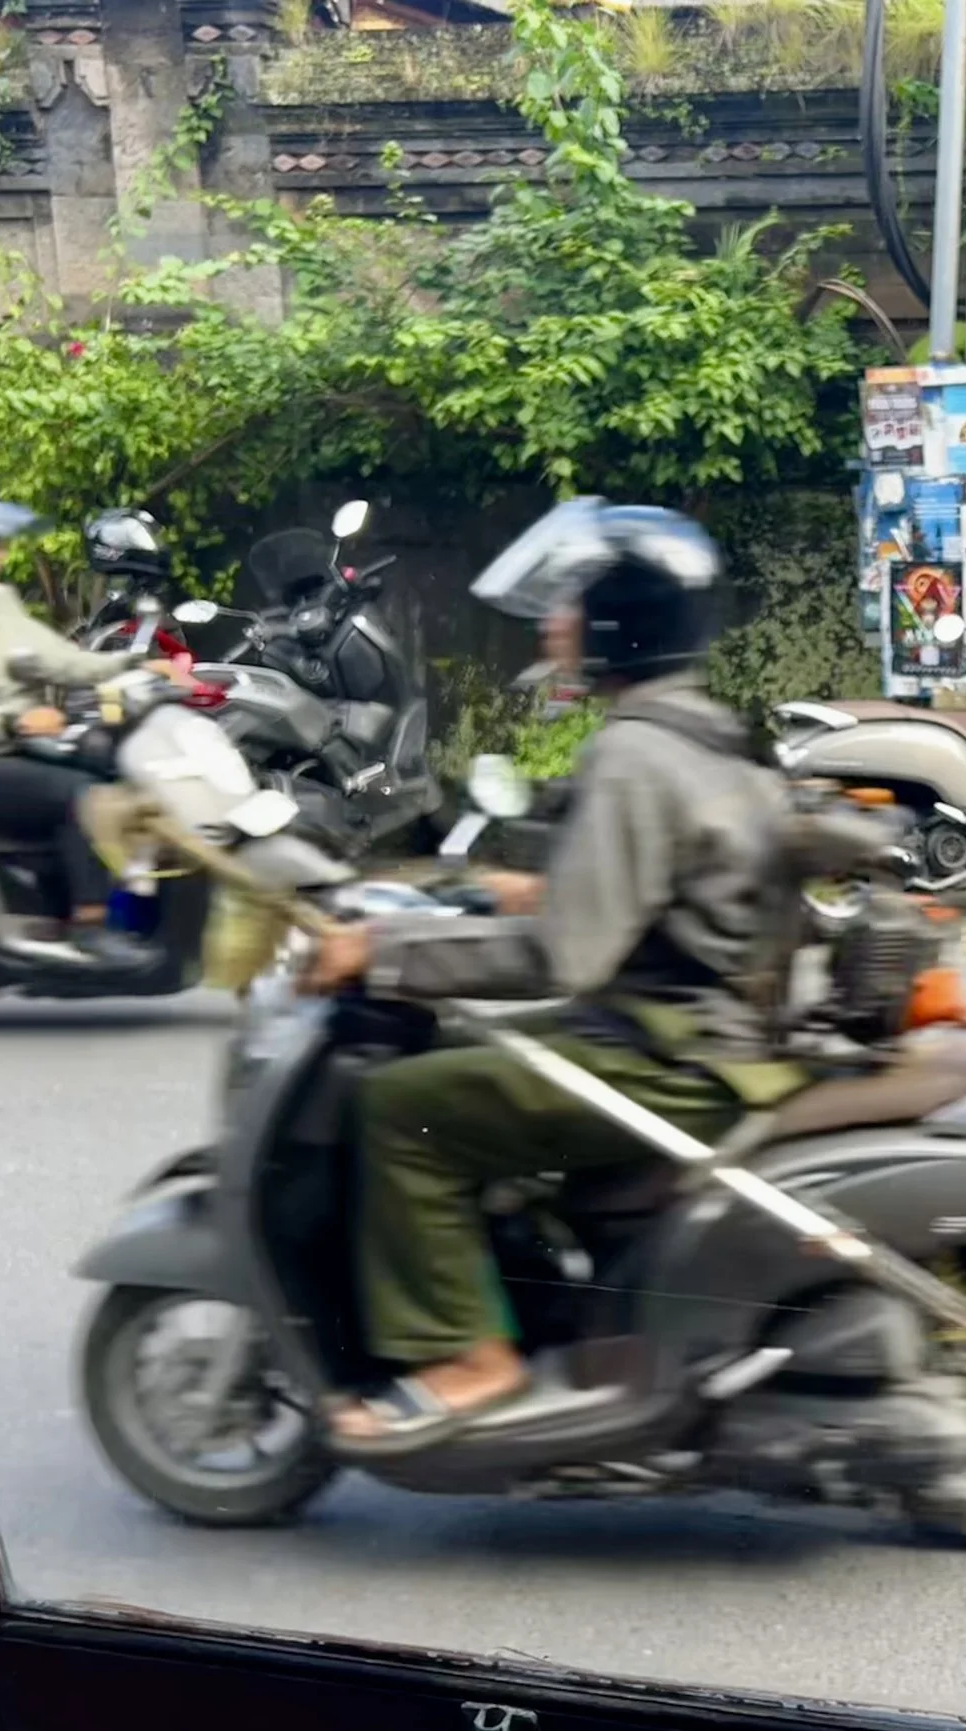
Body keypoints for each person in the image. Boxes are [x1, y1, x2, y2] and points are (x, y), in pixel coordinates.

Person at [304, 499, 812, 1455]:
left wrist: (384, 951)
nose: (553, 621)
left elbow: (563, 959)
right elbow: (670, 888)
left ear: (622, 619)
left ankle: (469, 1355)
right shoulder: (706, 736)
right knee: (464, 1076)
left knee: (401, 1111)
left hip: (663, 1057)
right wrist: (532, 886)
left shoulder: (631, 752)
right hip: (716, 1041)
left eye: (573, 602)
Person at [0, 484, 187, 969]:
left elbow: (58, 661)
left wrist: (132, 668)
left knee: (116, 764)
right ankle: (88, 925)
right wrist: (16, 720)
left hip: (11, 749)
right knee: (85, 797)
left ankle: (122, 904)